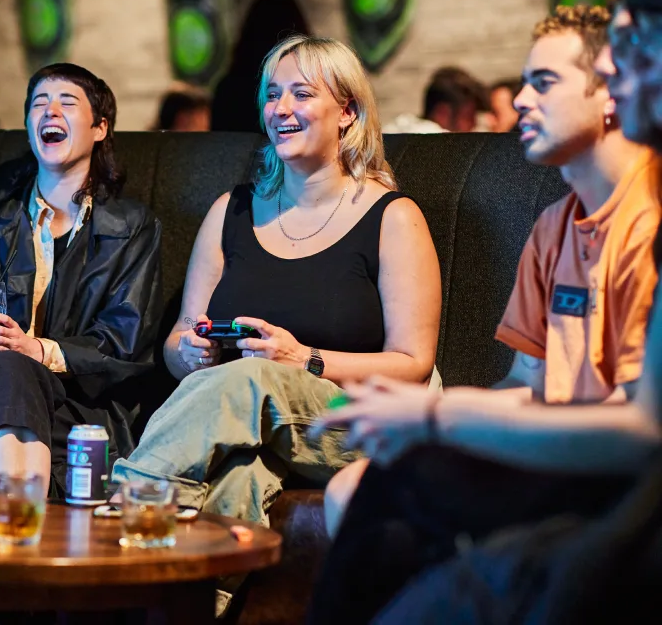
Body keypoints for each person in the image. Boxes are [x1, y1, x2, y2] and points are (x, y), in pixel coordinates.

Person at [307, 3, 662, 625]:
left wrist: (439, 414)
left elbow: (641, 428)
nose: (521, 99)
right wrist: (418, 418)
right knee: (381, 481)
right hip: (565, 457)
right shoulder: (556, 224)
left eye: (544, 82)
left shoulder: (648, 218)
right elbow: (530, 386)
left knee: (400, 488)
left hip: (620, 481)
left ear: (612, 90)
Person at [112, 35, 441, 530]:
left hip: (358, 421)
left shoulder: (393, 218)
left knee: (252, 378)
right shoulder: (231, 211)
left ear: (347, 112)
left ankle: (125, 503)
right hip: (253, 419)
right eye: (272, 94)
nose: (280, 108)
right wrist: (192, 352)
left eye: (302, 95)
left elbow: (414, 365)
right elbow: (180, 339)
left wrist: (302, 359)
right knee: (236, 478)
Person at [0, 63, 162, 496]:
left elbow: (125, 341)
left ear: (100, 127)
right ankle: (24, 543)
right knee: (3, 370)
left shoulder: (132, 226)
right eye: (39, 105)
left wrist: (36, 349)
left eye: (67, 103)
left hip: (74, 401)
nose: (50, 113)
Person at [211, 0, 311, 133]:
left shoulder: (229, 87)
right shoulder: (307, 82)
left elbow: (220, 144)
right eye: (271, 96)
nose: (280, 110)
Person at [384, 66, 490, 133]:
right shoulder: (440, 142)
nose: (474, 124)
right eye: (468, 116)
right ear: (442, 113)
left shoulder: (400, 127)